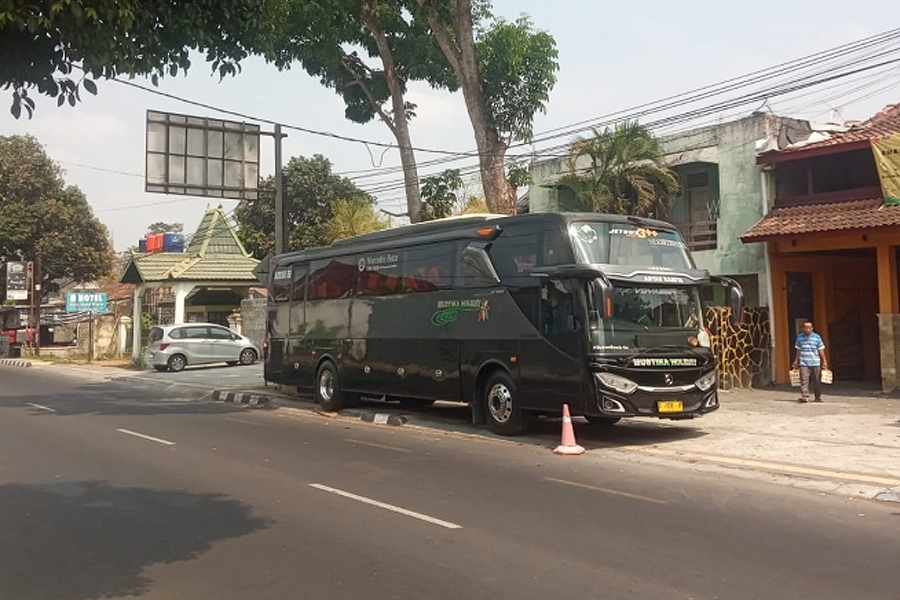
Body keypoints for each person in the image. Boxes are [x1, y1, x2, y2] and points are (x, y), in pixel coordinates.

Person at [792, 320, 828, 403]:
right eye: (805, 327)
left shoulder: (817, 337)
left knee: (817, 381)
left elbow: (821, 350)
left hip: (815, 362)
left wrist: (824, 361)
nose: (807, 329)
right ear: (803, 328)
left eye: (809, 328)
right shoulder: (800, 337)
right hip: (804, 362)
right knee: (804, 380)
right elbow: (798, 350)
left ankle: (817, 397)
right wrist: (796, 361)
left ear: (812, 328)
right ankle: (805, 396)